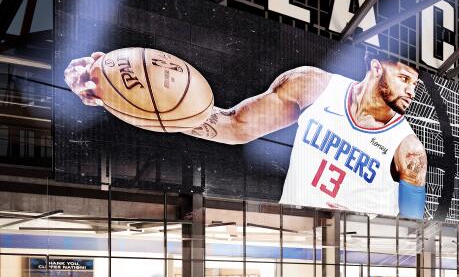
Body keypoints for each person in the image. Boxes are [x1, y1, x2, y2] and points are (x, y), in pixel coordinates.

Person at [65, 54, 428, 218]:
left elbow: (410, 225)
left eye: (415, 83)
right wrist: (117, 98)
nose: (411, 90)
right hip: (296, 231)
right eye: (404, 78)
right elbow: (234, 126)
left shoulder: (409, 149)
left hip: (356, 248)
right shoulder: (313, 86)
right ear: (376, 68)